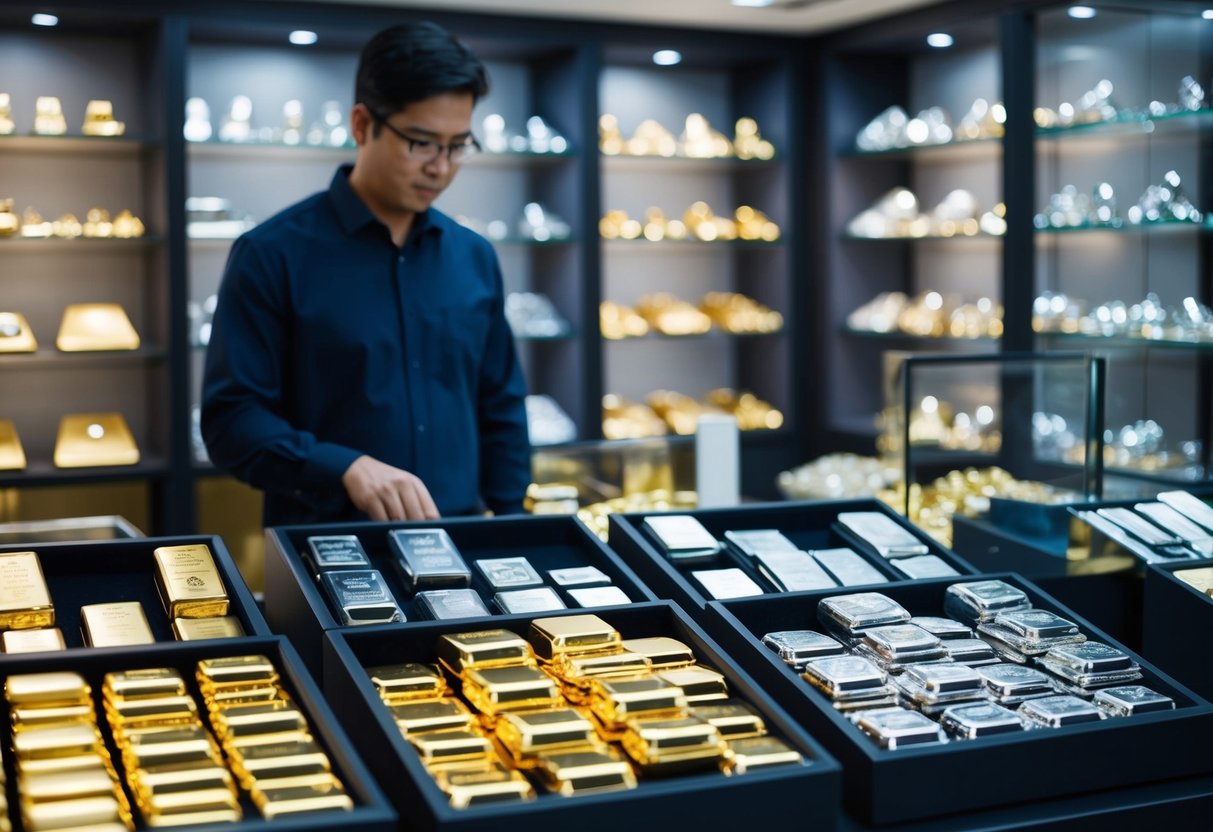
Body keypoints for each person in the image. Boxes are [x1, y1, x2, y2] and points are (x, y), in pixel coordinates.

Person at [201, 21, 530, 526]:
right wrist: (343, 467)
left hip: (462, 540)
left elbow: (501, 407)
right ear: (361, 125)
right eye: (421, 143)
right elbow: (233, 422)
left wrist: (510, 520)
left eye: (457, 145)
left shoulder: (474, 257)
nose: (440, 168)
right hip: (328, 551)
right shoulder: (271, 254)